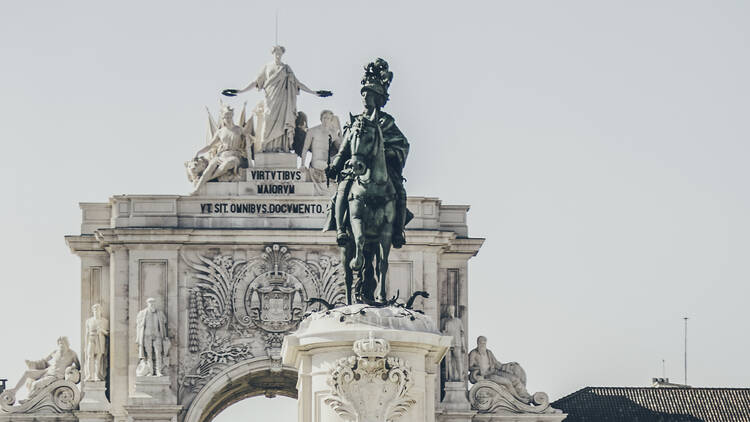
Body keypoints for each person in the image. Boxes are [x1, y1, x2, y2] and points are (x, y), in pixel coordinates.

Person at [325, 58, 410, 248]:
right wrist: (335, 167)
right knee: (342, 191)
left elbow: (403, 145)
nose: (365, 97)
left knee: (400, 192)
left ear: (377, 97)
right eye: (363, 93)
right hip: (355, 169)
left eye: (369, 94)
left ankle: (398, 231)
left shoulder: (387, 122)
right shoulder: (355, 123)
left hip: (383, 170)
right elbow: (344, 148)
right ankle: (340, 229)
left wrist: (388, 154)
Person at [223, 46, 331, 152]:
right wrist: (240, 91)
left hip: (283, 102)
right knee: (268, 120)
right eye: (276, 52)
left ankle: (281, 148)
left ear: (282, 54)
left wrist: (314, 93)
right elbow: (256, 82)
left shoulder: (286, 68)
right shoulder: (267, 67)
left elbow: (297, 83)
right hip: (270, 100)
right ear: (273, 53)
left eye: (280, 53)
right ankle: (266, 147)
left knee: (282, 123)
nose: (278, 55)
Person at [190, 105, 246, 194]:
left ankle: (210, 179)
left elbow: (249, 142)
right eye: (226, 116)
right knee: (210, 166)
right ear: (223, 118)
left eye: (230, 116)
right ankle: (197, 189)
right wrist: (198, 152)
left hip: (235, 156)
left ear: (232, 116)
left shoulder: (239, 129)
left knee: (227, 164)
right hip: (222, 155)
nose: (228, 118)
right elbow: (210, 145)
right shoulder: (220, 132)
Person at [10, 337, 80, 400]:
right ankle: (14, 391)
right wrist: (32, 363)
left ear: (67, 344)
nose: (61, 345)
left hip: (56, 376)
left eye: (63, 343)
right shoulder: (55, 352)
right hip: (47, 371)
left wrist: (70, 369)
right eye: (60, 343)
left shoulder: (72, 354)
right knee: (27, 373)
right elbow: (44, 361)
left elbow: (78, 367)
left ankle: (29, 399)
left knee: (35, 384)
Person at [468, 336, 533, 403]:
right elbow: (469, 367)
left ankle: (525, 395)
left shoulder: (488, 352)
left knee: (514, 379)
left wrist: (509, 365)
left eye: (484, 343)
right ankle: (518, 399)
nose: (483, 345)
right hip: (486, 376)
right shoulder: (473, 353)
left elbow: (497, 364)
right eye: (481, 343)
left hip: (494, 371)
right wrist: (479, 369)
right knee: (507, 382)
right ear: (478, 343)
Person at [136, 298, 168, 377]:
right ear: (147, 304)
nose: (152, 304)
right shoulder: (143, 313)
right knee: (149, 355)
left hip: (157, 336)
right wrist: (138, 338)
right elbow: (139, 326)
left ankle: (158, 371)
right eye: (150, 303)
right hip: (147, 336)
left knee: (158, 354)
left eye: (153, 303)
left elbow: (164, 321)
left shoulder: (159, 313)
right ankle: (150, 371)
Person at [84, 304, 109, 382]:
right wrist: (85, 345)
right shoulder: (89, 321)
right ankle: (89, 375)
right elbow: (86, 334)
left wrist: (101, 330)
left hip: (100, 339)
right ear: (92, 310)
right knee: (89, 357)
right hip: (91, 339)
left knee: (98, 358)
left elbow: (108, 333)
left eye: (98, 309)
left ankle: (96, 375)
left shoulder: (105, 321)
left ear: (100, 310)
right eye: (94, 309)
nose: (96, 310)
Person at [442, 305, 466, 382]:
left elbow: (462, 334)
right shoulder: (445, 322)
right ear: (448, 311)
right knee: (448, 361)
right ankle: (450, 377)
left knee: (458, 360)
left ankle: (460, 377)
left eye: (452, 309)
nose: (451, 311)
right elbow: (444, 333)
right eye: (449, 310)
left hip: (457, 343)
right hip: (448, 344)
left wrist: (463, 345)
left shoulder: (458, 321)